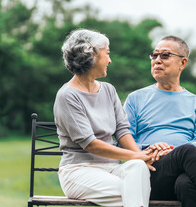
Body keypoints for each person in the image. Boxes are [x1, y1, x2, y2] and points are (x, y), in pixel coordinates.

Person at [123, 36, 196, 207]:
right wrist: (148, 152)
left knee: (185, 184)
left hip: (184, 175)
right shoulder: (135, 99)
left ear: (182, 63)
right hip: (149, 174)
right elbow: (123, 138)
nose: (157, 61)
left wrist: (172, 154)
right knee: (187, 151)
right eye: (154, 55)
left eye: (164, 55)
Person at [53, 29, 154, 207]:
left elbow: (122, 130)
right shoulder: (67, 96)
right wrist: (136, 154)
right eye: (107, 53)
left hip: (113, 169)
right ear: (91, 55)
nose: (110, 60)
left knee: (137, 169)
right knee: (133, 191)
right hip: (79, 171)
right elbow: (91, 144)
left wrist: (139, 157)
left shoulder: (108, 90)